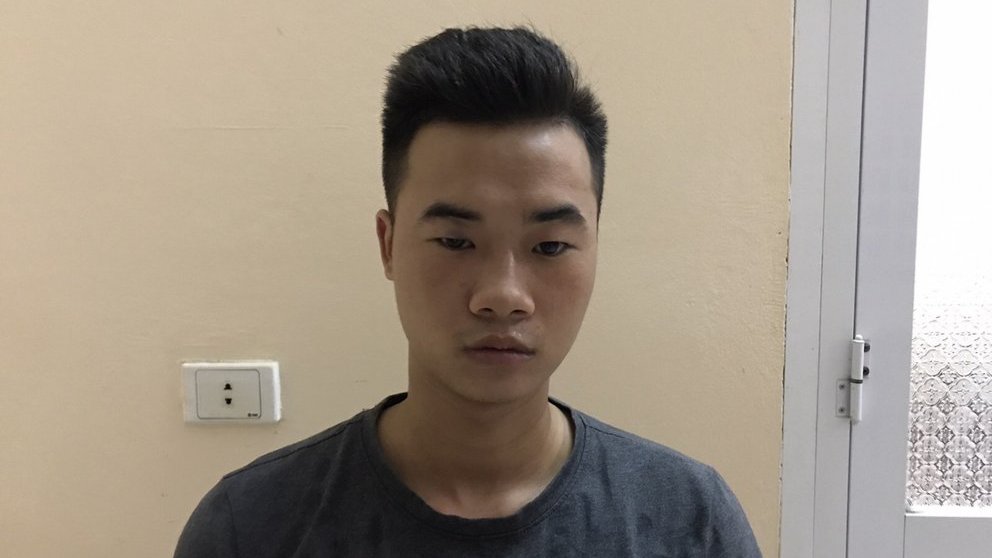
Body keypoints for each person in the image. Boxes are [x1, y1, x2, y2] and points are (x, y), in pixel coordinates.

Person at [174, 26, 761, 557]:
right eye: (456, 241)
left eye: (549, 246)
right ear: (388, 244)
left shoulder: (690, 521)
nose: (503, 295)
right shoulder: (251, 527)